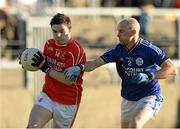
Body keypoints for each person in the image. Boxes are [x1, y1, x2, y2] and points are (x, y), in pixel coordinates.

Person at [64, 18, 177, 128]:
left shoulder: (149, 49)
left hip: (149, 95)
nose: (117, 35)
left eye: (121, 31)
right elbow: (94, 64)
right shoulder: (117, 50)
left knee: (136, 123)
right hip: (128, 97)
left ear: (133, 32)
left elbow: (172, 69)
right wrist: (80, 67)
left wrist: (148, 75)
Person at [19, 13, 86, 128]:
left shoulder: (75, 50)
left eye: (62, 31)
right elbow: (41, 64)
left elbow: (68, 80)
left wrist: (46, 68)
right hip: (48, 95)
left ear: (69, 30)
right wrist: (27, 59)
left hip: (67, 102)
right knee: (32, 127)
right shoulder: (49, 44)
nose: (58, 35)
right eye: (55, 31)